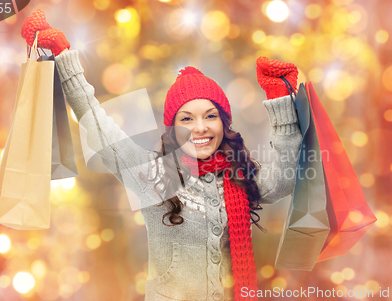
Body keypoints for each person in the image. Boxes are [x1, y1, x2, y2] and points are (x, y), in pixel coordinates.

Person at [21, 9, 302, 301]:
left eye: (210, 116)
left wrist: (280, 100)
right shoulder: (156, 176)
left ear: (224, 123)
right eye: (187, 119)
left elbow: (284, 179)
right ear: (172, 130)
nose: (201, 127)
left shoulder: (237, 175)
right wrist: (65, 58)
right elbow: (96, 122)